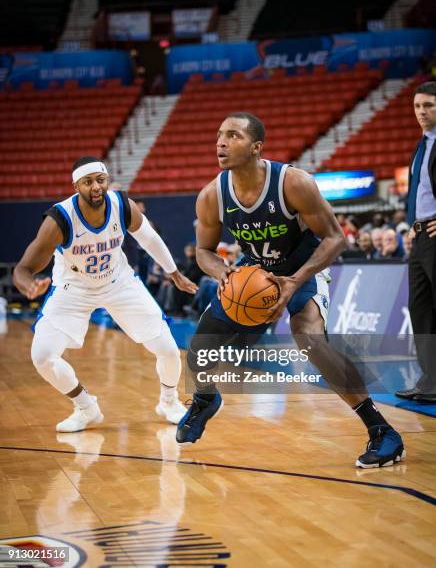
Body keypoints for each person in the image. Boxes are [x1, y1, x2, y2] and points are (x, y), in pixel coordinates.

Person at [176, 112, 405, 468]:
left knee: (310, 339)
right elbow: (205, 251)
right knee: (198, 351)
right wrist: (223, 273)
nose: (221, 142)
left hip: (305, 270)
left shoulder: (293, 183)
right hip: (255, 276)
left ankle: (382, 430)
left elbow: (335, 239)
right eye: (219, 135)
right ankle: (205, 400)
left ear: (256, 147)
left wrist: (295, 281)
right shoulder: (211, 196)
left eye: (233, 136)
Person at [13, 157, 198, 432]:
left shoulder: (121, 205)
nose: (96, 187)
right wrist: (29, 286)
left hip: (118, 283)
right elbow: (24, 268)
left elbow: (148, 238)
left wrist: (174, 272)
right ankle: (86, 408)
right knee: (42, 356)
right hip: (73, 291)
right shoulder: (60, 219)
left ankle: (168, 402)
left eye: (100, 180)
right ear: (76, 186)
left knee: (169, 349)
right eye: (88, 182)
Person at [396, 81, 436, 403]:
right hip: (421, 236)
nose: (422, 112)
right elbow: (418, 193)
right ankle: (431, 380)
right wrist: (412, 224)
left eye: (429, 106)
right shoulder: (420, 146)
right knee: (420, 308)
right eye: (418, 106)